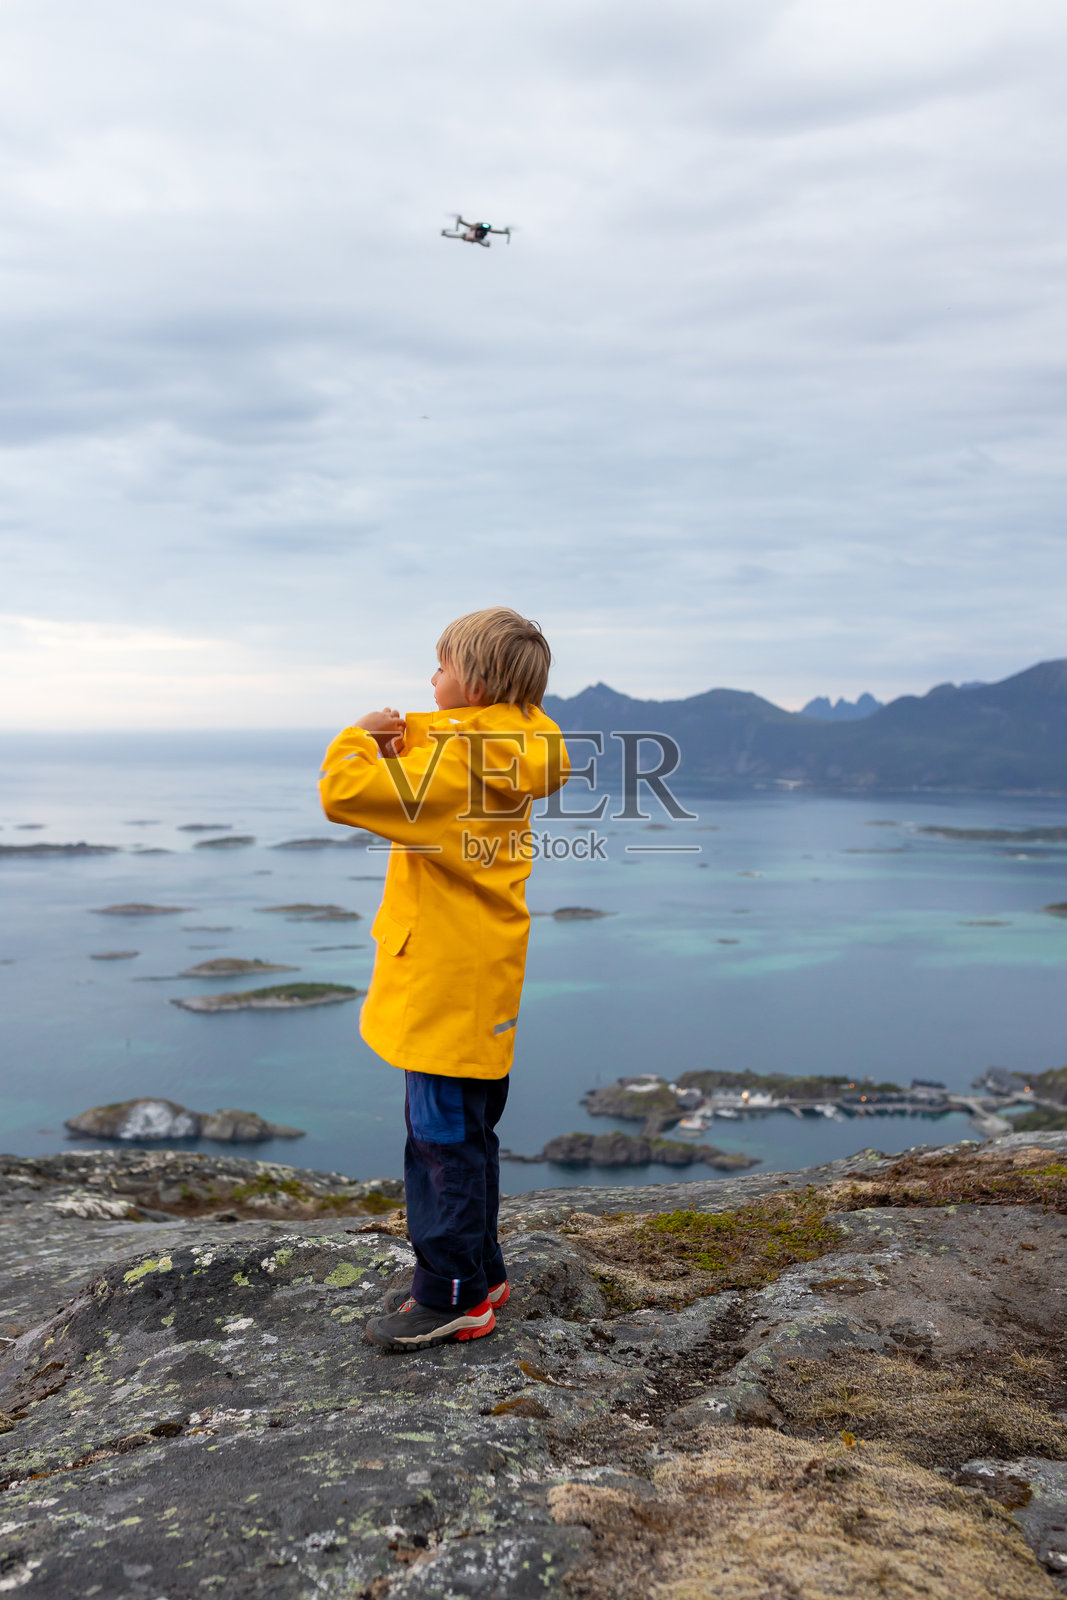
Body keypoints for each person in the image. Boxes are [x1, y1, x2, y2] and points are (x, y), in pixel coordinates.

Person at [318, 607, 569, 1351]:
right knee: (467, 1132)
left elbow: (344, 795)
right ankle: (480, 1272)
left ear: (479, 681)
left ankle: (450, 1295)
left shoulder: (461, 764)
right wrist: (415, 737)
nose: (430, 679)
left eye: (441, 667)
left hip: (442, 980)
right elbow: (446, 760)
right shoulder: (511, 745)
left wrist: (359, 738)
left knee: (439, 1141)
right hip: (478, 976)